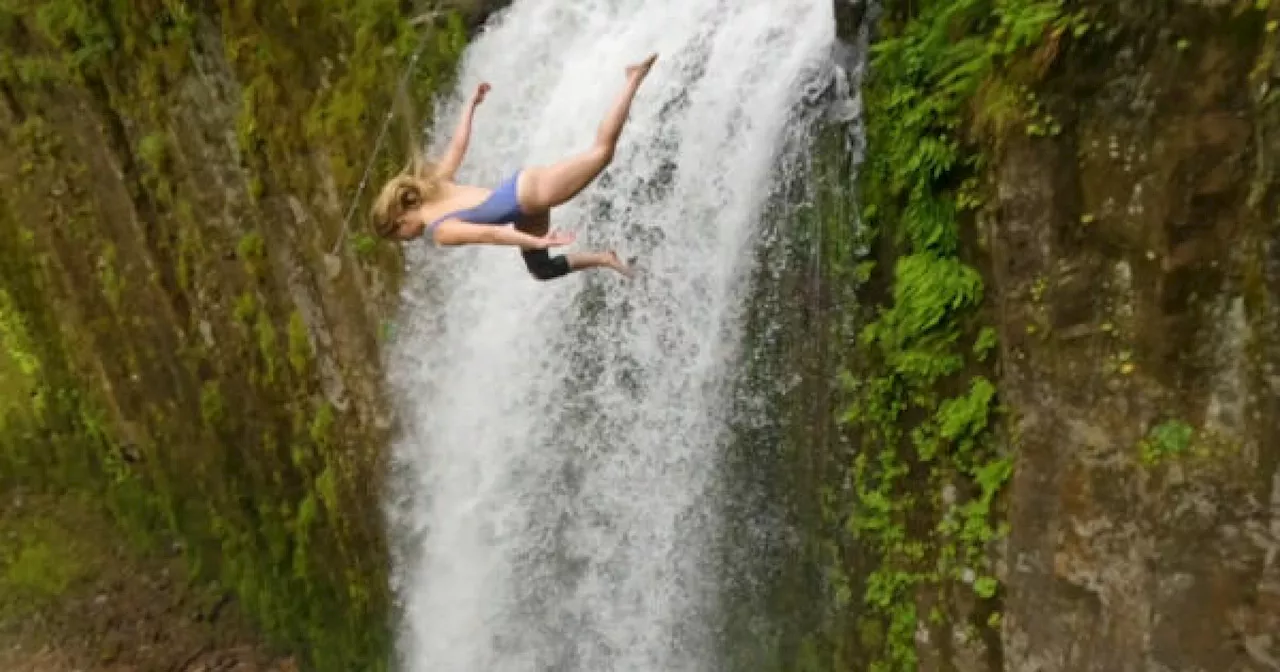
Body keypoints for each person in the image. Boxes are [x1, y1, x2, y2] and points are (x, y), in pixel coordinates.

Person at [370, 53, 660, 281]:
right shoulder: (432, 185)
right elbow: (458, 147)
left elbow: (492, 235)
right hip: (525, 207)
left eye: (400, 238)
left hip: (530, 194)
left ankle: (633, 78)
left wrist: (537, 241)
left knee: (601, 152)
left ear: (399, 221)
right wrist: (471, 106)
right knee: (541, 270)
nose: (407, 240)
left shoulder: (441, 231)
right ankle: (604, 258)